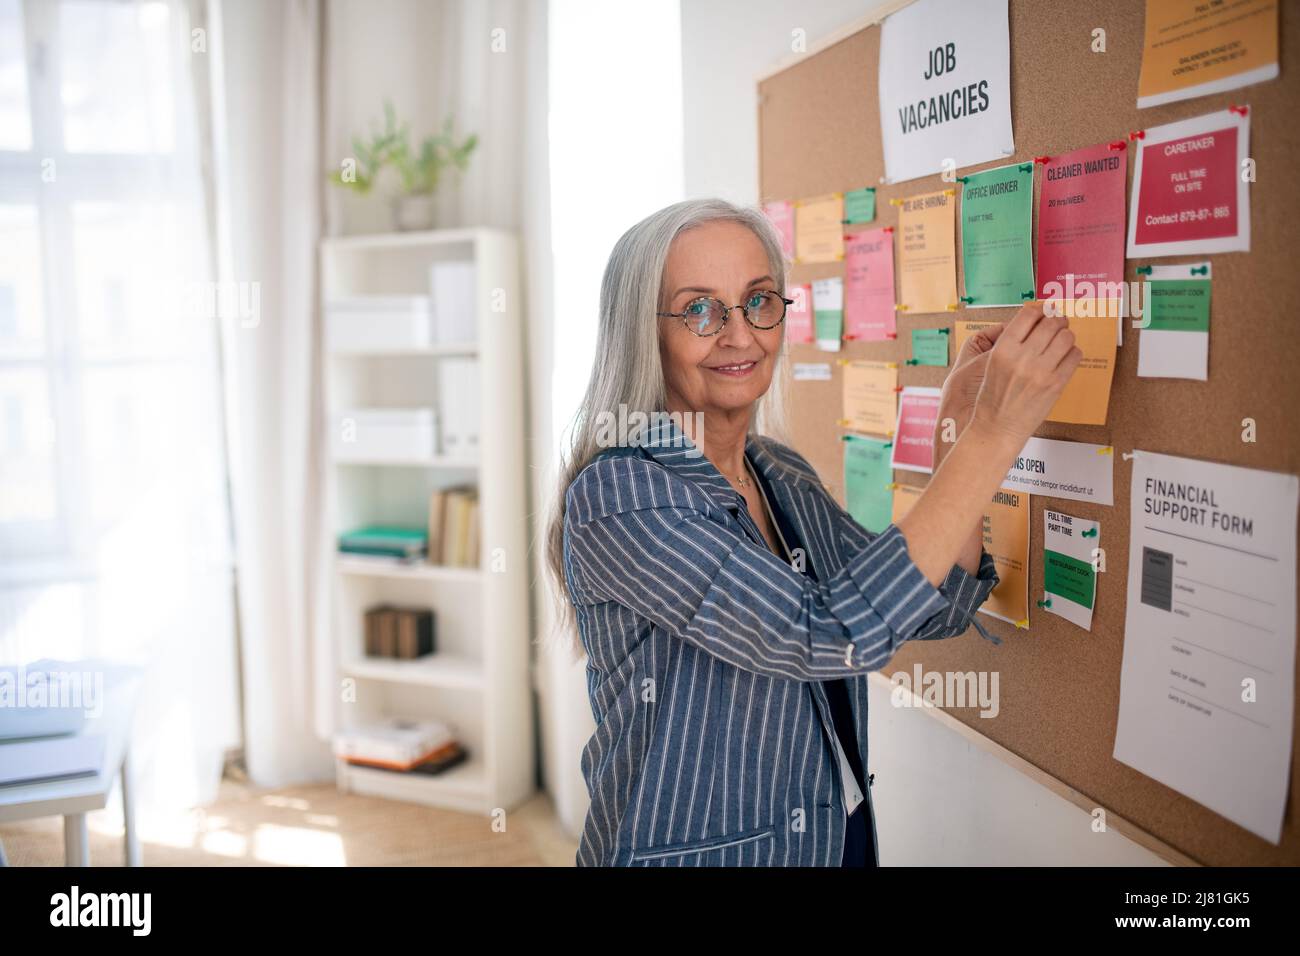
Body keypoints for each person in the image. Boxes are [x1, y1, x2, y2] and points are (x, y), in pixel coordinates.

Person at [546, 198, 1081, 866]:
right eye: (700, 310)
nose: (740, 335)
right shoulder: (622, 495)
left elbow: (930, 603)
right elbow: (833, 632)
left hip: (834, 838)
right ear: (643, 332)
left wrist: (958, 426)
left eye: (759, 300)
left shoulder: (778, 470)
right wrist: (995, 437)